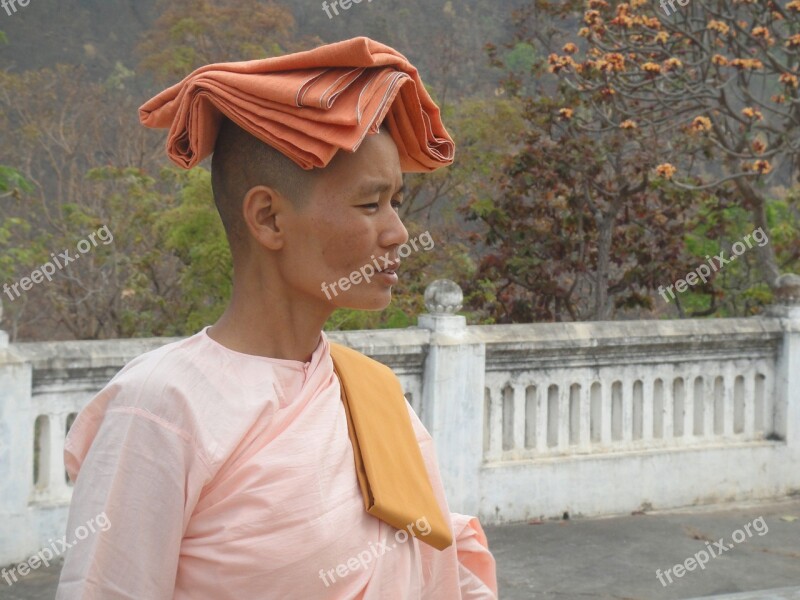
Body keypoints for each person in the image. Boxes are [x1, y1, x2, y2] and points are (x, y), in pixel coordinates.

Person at [56, 37, 497, 599]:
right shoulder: (162, 408)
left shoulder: (373, 395)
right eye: (370, 204)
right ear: (268, 218)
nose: (398, 234)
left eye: (397, 203)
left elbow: (436, 568)